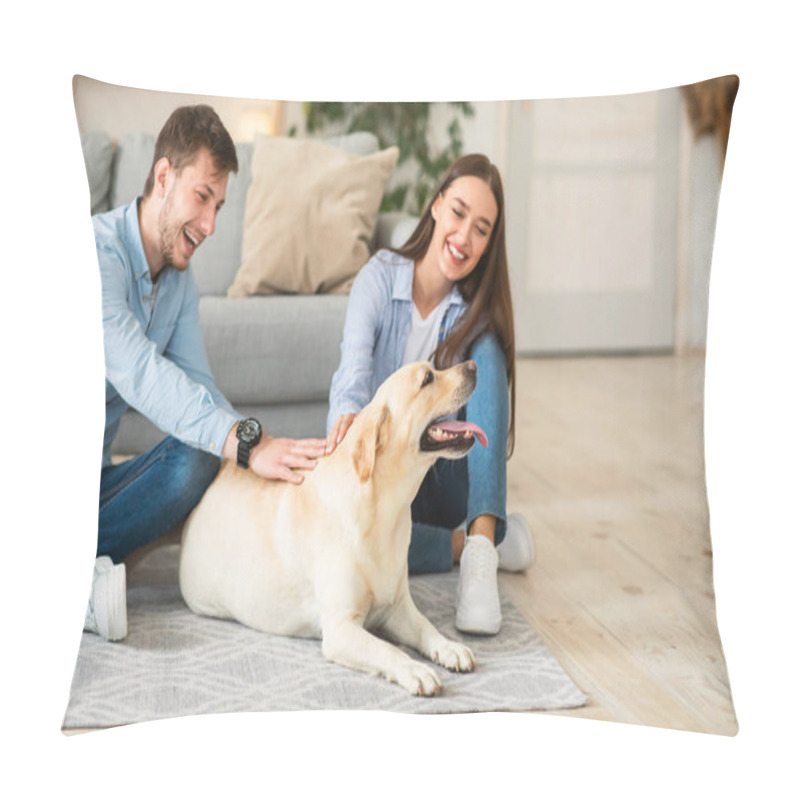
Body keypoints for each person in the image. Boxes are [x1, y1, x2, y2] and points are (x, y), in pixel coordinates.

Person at [84, 105, 327, 642]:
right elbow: (140, 373)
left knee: (200, 449)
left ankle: (72, 571)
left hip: (92, 491)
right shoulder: (91, 256)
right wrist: (245, 444)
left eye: (219, 205)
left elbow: (201, 388)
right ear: (164, 177)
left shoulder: (177, 282)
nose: (212, 225)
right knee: (219, 441)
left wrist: (258, 445)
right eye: (202, 197)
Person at [325, 153, 534, 635]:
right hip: (384, 479)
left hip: (439, 481)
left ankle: (480, 555)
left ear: (489, 244)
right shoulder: (379, 277)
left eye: (481, 229)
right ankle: (475, 543)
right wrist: (346, 426)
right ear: (436, 206)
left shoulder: (471, 312)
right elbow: (352, 376)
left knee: (487, 346)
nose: (464, 237)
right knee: (364, 539)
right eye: (459, 213)